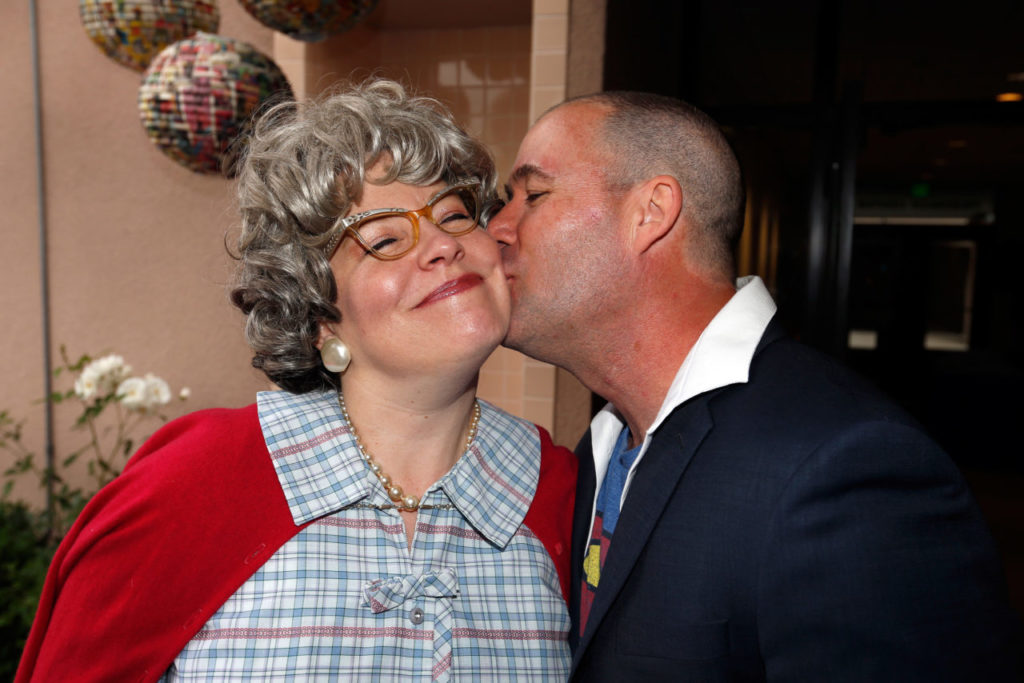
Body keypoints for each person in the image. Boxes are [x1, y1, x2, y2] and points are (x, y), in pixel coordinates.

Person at [16, 79, 576, 682]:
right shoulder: (196, 485)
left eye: (456, 215)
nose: (441, 245)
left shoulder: (568, 496)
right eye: (384, 240)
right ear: (318, 319)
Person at [486, 90, 1019, 681]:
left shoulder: (845, 465)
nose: (498, 229)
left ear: (650, 212)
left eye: (533, 195)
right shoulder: (602, 445)